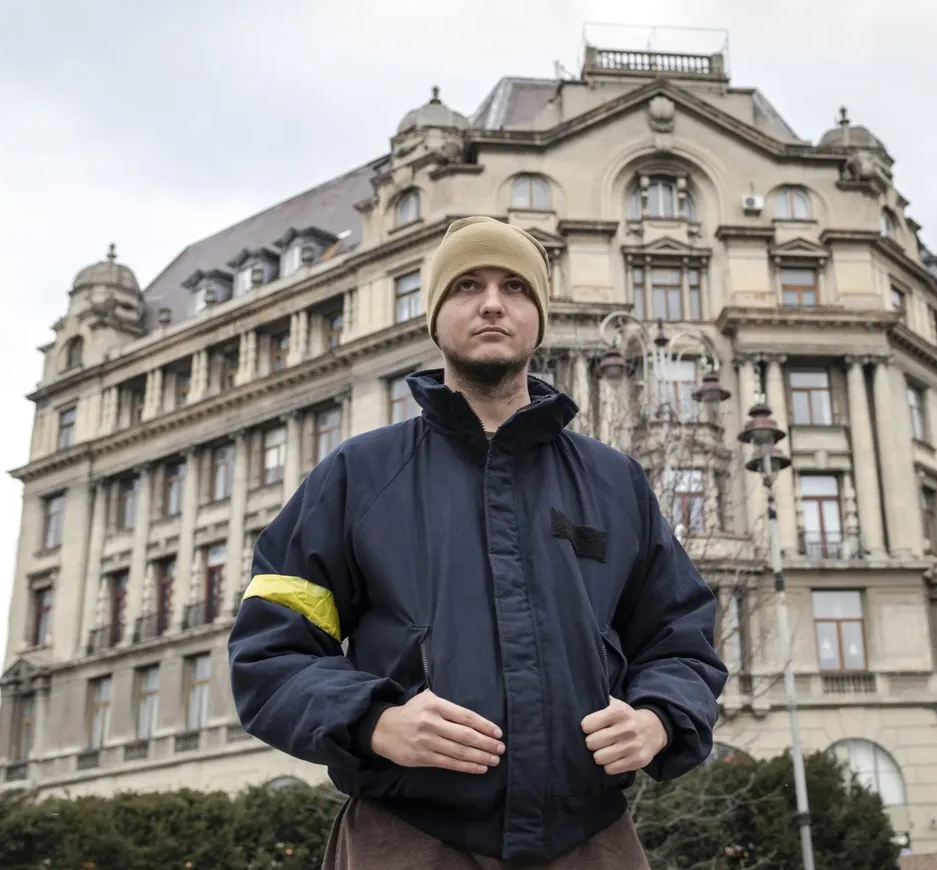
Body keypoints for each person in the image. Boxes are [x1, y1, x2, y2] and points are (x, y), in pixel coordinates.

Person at [228, 216, 727, 868]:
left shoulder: (613, 482)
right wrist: (372, 719)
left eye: (515, 287)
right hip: (404, 841)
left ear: (539, 320)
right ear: (434, 318)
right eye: (467, 285)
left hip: (593, 841)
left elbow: (681, 636)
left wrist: (660, 716)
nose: (492, 303)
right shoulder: (359, 475)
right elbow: (270, 651)